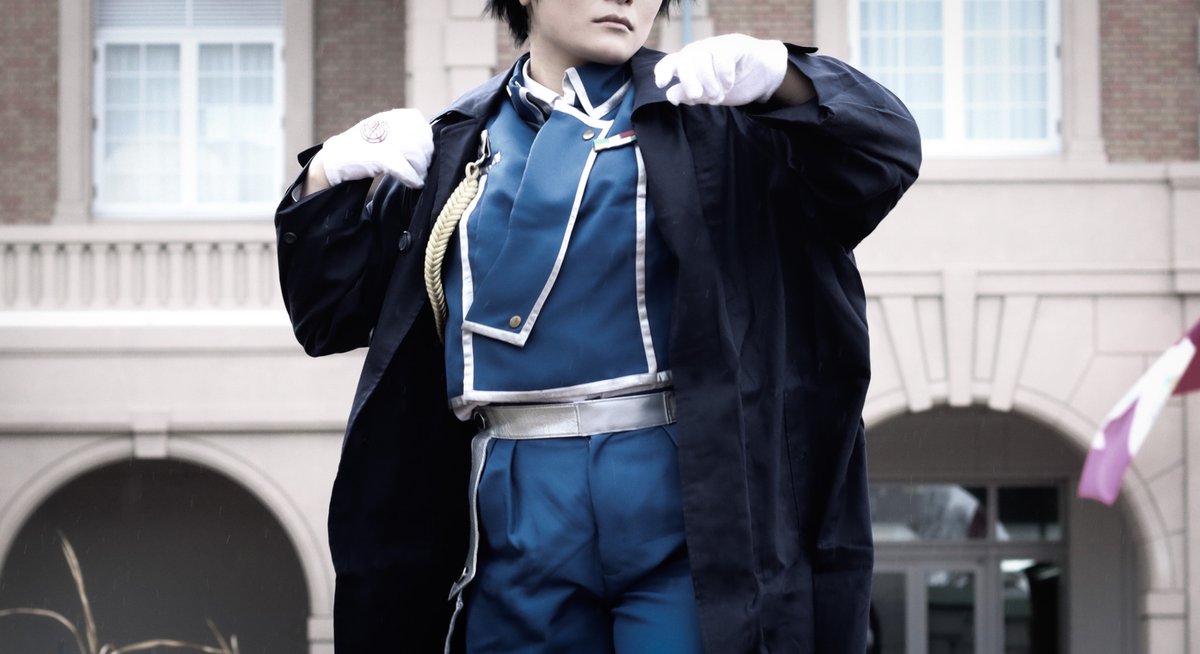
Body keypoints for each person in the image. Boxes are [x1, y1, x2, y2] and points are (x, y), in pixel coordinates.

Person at [275, 0, 921, 651]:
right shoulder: (455, 145)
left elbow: (882, 155)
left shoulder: (711, 119)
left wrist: (788, 78)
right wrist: (326, 175)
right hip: (512, 487)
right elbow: (329, 313)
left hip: (682, 488)